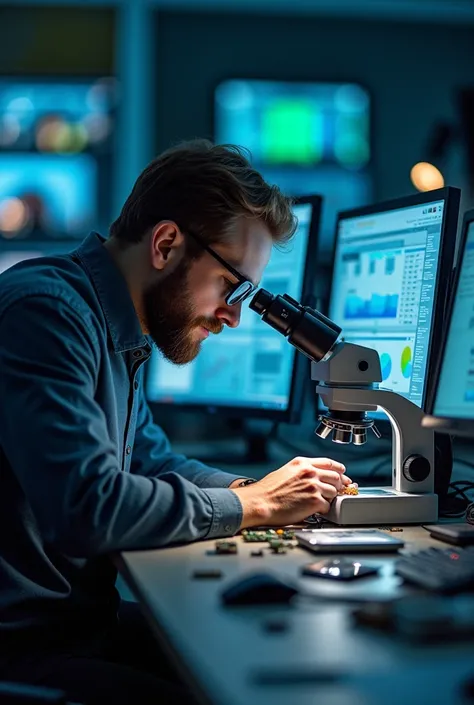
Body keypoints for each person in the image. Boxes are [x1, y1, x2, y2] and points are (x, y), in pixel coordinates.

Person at [0, 140, 351, 704]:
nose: (234, 317)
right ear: (166, 244)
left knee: (255, 653)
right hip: (26, 651)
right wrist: (254, 506)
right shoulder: (47, 314)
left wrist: (262, 489)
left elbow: (152, 459)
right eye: (233, 288)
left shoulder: (109, 324)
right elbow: (87, 509)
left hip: (78, 630)